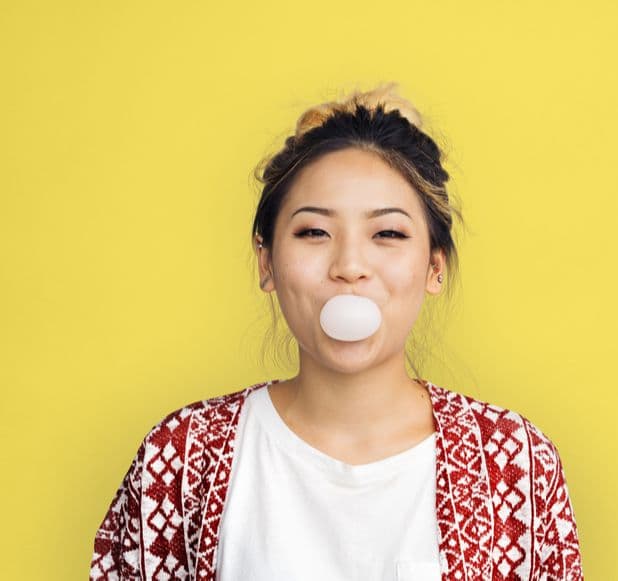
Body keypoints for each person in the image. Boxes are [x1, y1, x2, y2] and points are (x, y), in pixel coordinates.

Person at [90, 83, 583, 581]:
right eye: (314, 232)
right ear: (267, 262)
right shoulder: (182, 458)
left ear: (434, 265)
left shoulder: (516, 465)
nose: (349, 266)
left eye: (387, 234)